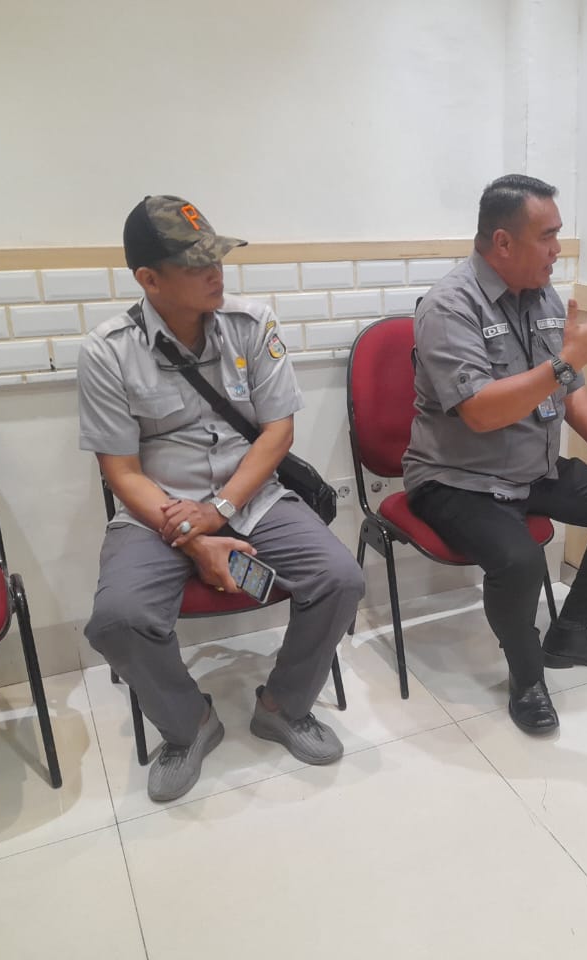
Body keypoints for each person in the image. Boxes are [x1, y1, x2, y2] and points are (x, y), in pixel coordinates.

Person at [78, 195, 365, 802]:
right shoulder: (108, 351)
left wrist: (219, 512)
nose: (216, 273)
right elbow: (121, 472)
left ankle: (284, 706)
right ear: (148, 279)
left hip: (250, 498)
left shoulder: (252, 324)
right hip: (156, 513)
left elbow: (277, 433)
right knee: (117, 620)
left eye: (217, 258)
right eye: (195, 264)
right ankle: (189, 725)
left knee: (340, 579)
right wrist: (195, 537)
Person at [403, 174, 587, 735]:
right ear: (502, 242)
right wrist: (567, 362)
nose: (557, 249)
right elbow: (479, 412)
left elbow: (569, 387)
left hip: (532, 468)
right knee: (520, 561)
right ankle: (526, 679)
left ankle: (571, 633)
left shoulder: (543, 295)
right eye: (547, 236)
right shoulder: (449, 306)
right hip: (457, 479)